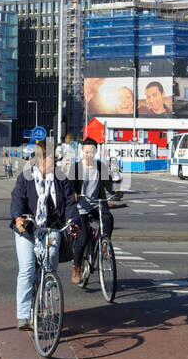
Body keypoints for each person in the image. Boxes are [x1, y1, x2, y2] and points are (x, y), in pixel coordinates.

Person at [9, 144, 79, 331]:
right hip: (28, 228)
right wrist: (18, 218)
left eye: (55, 160)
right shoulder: (26, 177)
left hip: (51, 227)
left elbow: (70, 202)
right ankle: (23, 315)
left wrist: (73, 221)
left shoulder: (60, 178)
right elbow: (17, 198)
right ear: (40, 160)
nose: (54, 163)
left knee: (49, 267)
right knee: (27, 269)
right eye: (51, 160)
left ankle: (45, 305)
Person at [68, 137, 115, 283]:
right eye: (86, 152)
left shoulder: (101, 167)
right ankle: (76, 267)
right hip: (81, 207)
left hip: (96, 204)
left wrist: (114, 192)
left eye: (92, 152)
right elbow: (71, 186)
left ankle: (103, 244)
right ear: (82, 152)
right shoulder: (76, 168)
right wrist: (74, 193)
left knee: (108, 218)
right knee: (83, 235)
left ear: (96, 152)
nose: (89, 155)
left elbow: (108, 185)